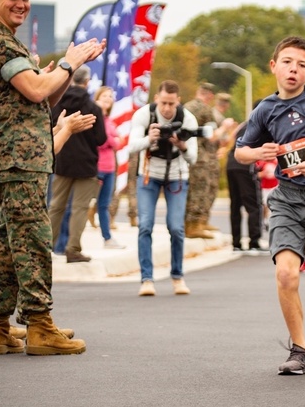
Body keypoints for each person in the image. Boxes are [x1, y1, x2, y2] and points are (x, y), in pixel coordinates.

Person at [0, 0, 105, 355]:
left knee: (7, 243)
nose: (21, 3)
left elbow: (42, 97)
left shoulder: (5, 42)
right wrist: (68, 64)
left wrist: (64, 71)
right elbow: (34, 90)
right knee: (32, 239)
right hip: (17, 157)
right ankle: (39, 325)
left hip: (22, 154)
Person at [234, 36, 305, 375]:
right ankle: (300, 349)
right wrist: (257, 153)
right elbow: (240, 151)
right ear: (274, 66)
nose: (293, 69)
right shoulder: (265, 109)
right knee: (285, 274)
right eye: (287, 62)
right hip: (287, 199)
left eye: (300, 65)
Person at [0, 99, 93, 350]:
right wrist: (65, 131)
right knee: (15, 261)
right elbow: (35, 155)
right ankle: (34, 322)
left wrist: (55, 129)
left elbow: (20, 143)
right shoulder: (6, 108)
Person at [127, 80, 198, 297]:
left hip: (177, 176)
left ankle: (177, 276)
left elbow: (193, 158)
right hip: (149, 176)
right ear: (156, 98)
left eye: (171, 103)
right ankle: (147, 279)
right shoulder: (144, 115)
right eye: (163, 102)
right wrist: (150, 138)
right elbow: (131, 146)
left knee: (176, 227)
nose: (167, 108)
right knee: (145, 225)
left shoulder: (187, 118)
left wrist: (182, 144)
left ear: (178, 101)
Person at [49, 66, 107, 263]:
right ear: (87, 82)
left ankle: (45, 245)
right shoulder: (93, 108)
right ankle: (73, 249)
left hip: (62, 161)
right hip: (86, 163)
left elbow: (51, 128)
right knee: (79, 208)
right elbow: (101, 138)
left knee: (56, 205)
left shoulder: (58, 104)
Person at [184, 82, 220, 239]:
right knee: (200, 189)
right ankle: (195, 225)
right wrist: (224, 129)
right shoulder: (205, 109)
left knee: (190, 189)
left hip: (187, 153)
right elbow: (212, 136)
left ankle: (190, 224)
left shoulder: (186, 107)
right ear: (210, 96)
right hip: (201, 156)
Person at [225, 120, 264, 254]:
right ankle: (254, 241)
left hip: (231, 164)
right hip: (245, 165)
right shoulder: (258, 125)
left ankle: (236, 243)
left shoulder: (243, 125)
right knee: (253, 204)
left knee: (235, 205)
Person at [94, 87, 124, 248]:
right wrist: (112, 140)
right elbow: (101, 141)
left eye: (110, 96)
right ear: (97, 98)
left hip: (110, 168)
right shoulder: (93, 117)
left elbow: (119, 142)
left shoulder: (110, 121)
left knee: (104, 204)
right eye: (104, 95)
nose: (108, 98)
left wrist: (112, 140)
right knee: (82, 203)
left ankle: (107, 238)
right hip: (96, 167)